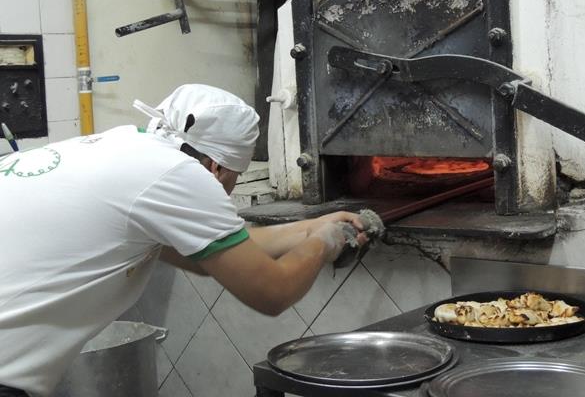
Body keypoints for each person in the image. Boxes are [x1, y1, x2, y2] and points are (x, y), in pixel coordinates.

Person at [0, 84, 366, 397]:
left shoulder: (126, 149)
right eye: (235, 177)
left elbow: (205, 256)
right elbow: (271, 293)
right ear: (216, 168)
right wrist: (324, 242)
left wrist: (308, 228)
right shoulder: (180, 176)